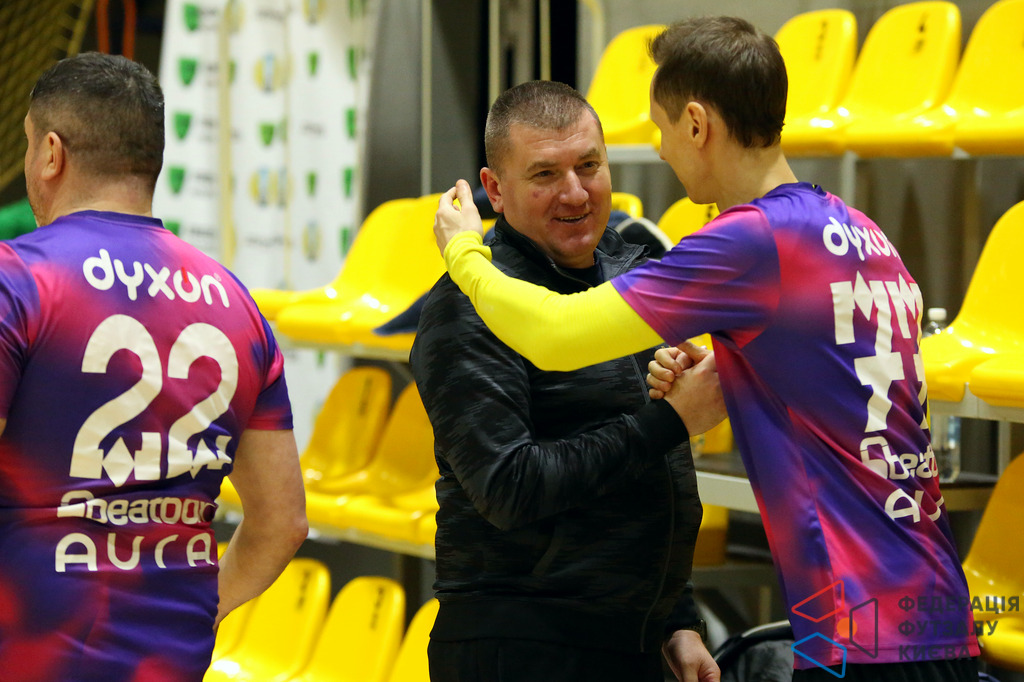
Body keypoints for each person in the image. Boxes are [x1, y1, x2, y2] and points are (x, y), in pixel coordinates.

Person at [431, 17, 981, 682]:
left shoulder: (748, 242)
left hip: (858, 621)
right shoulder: (859, 231)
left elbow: (555, 333)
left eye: (661, 130)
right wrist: (733, 369)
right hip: (934, 608)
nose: (660, 150)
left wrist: (463, 250)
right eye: (546, 173)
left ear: (696, 124)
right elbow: (830, 378)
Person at [0, 52, 308, 681]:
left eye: (29, 144)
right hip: (169, 659)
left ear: (51, 153)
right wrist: (196, 613)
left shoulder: (19, 279)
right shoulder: (237, 304)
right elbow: (283, 522)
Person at [410, 80, 725, 682]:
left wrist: (676, 619)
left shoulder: (632, 277)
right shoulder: (467, 307)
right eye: (545, 174)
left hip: (631, 639)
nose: (575, 193)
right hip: (520, 646)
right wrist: (672, 420)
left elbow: (651, 471)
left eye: (588, 166)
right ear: (495, 190)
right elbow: (509, 487)